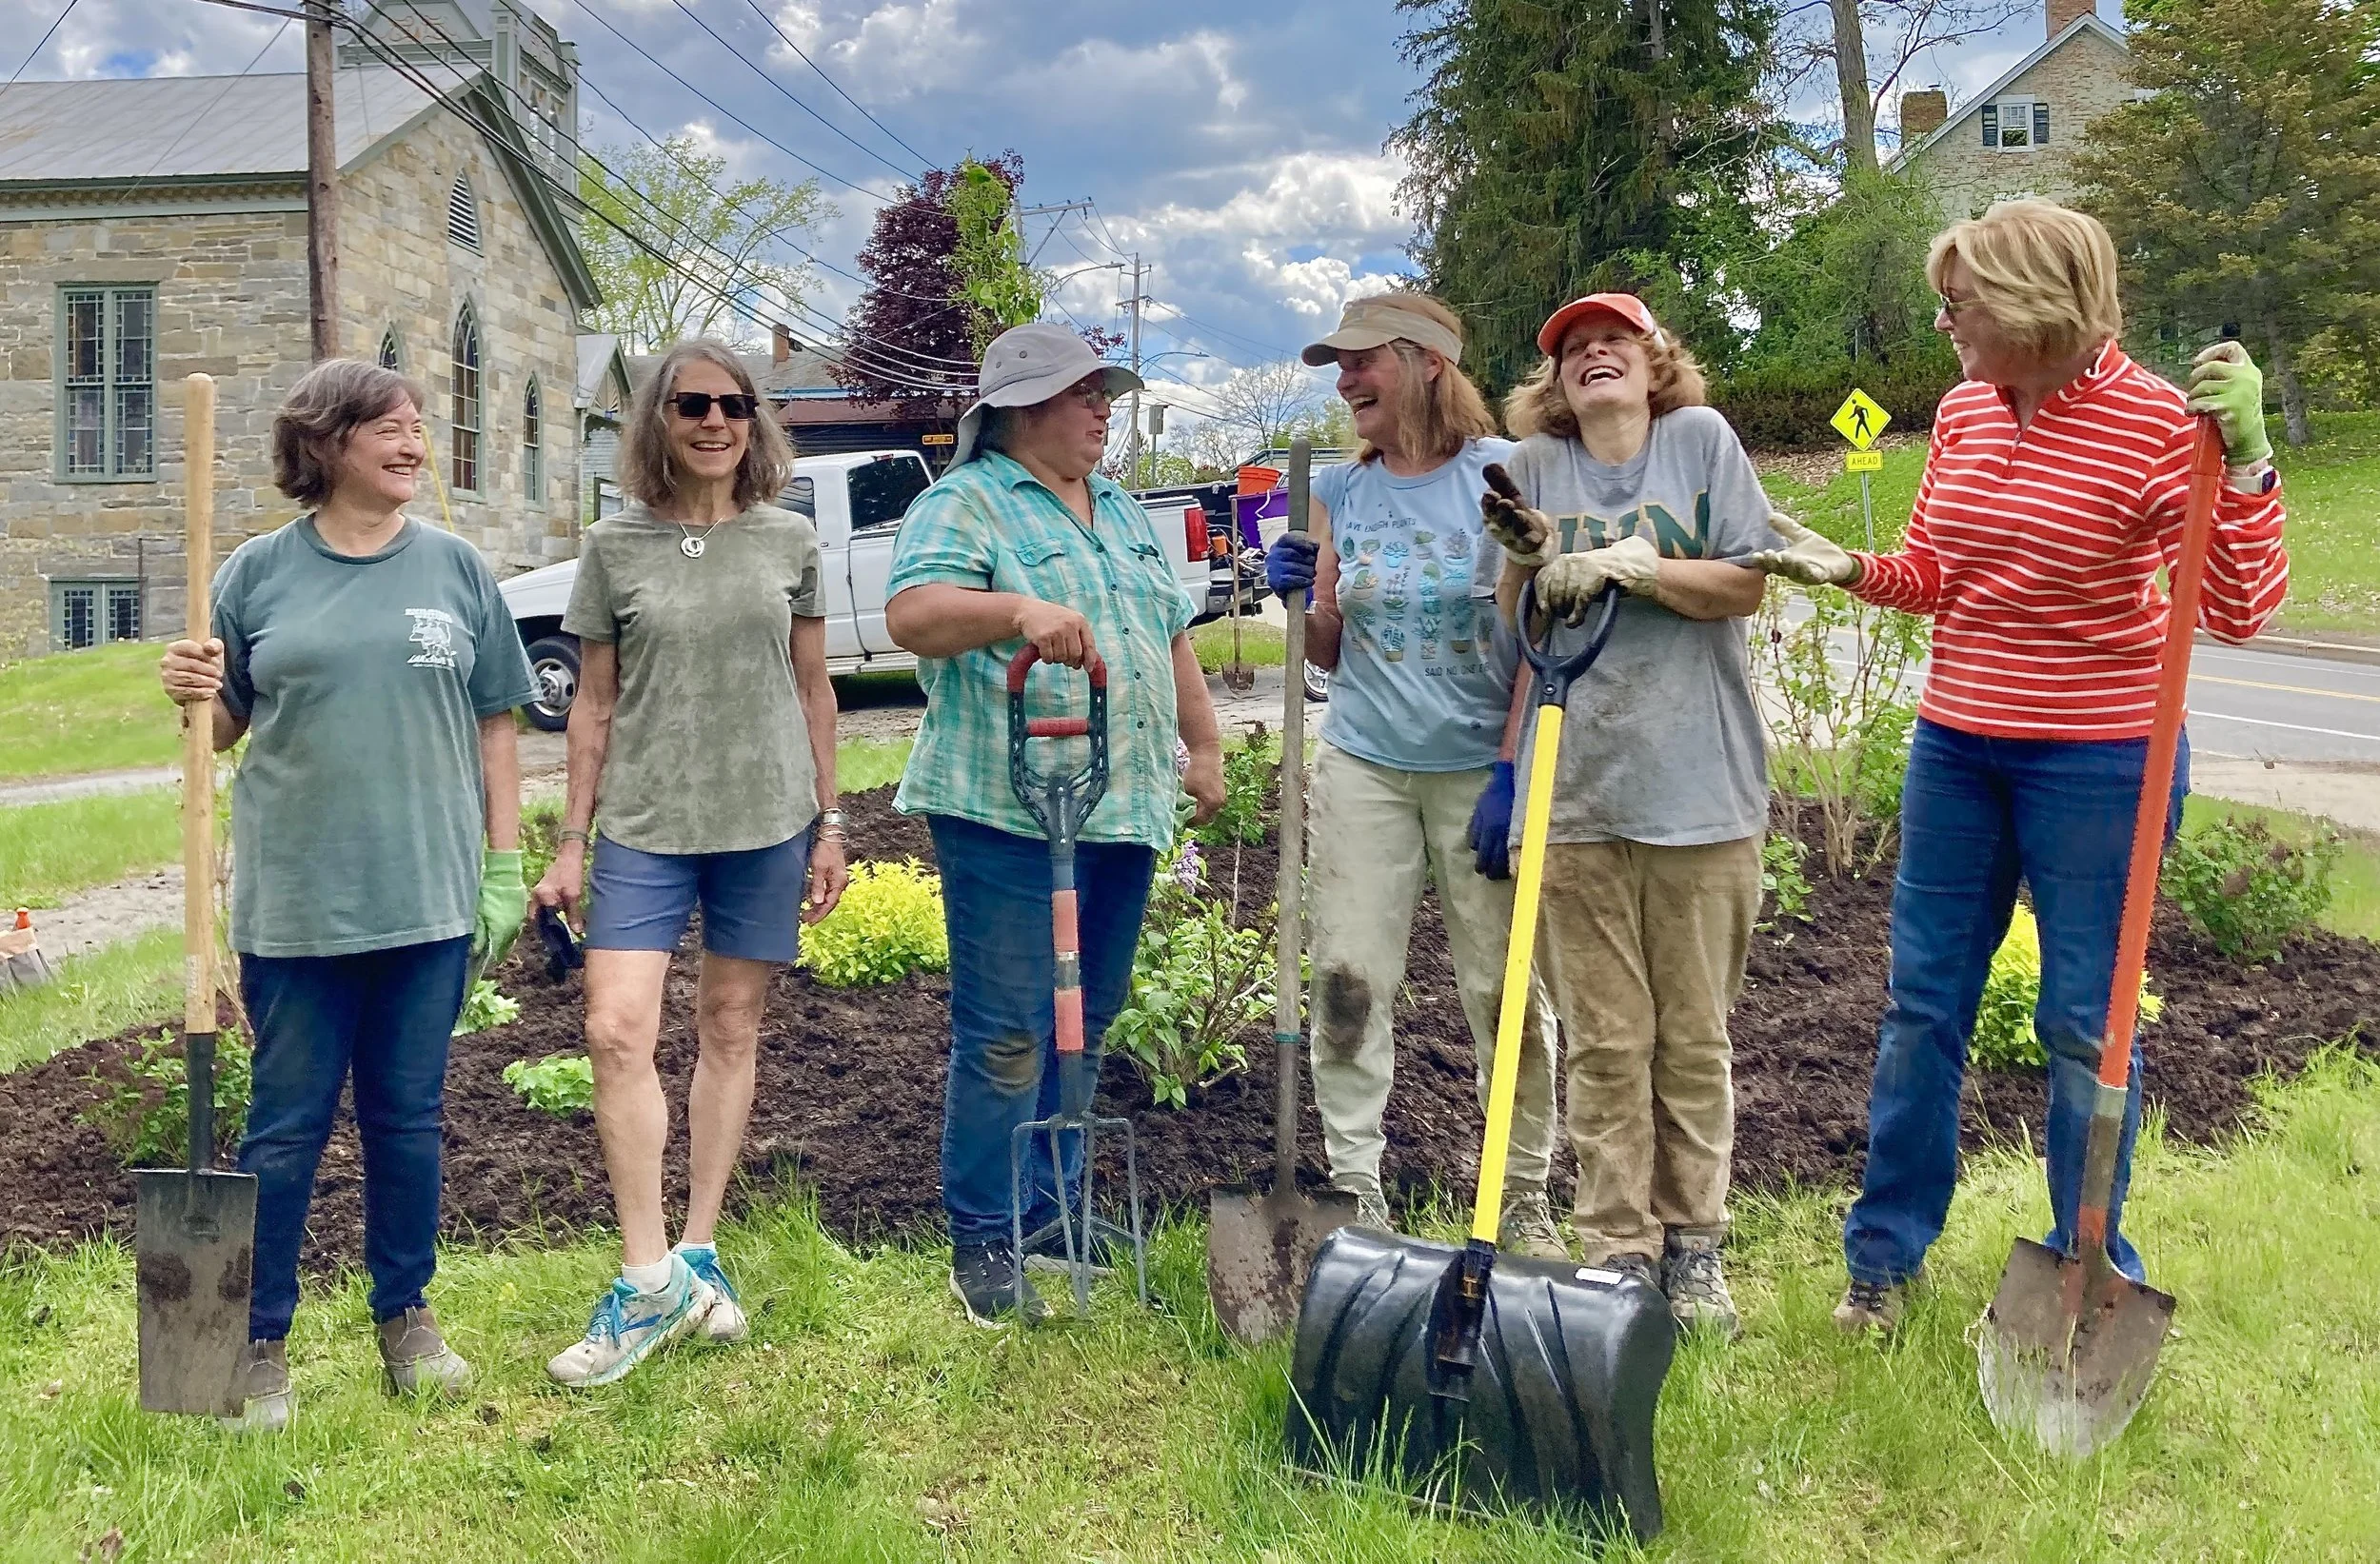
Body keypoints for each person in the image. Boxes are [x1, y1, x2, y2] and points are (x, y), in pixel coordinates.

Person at [1748, 200, 2290, 1335]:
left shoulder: (2157, 424)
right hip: (1957, 746)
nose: (1943, 319)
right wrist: (1841, 562)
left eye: (1962, 300)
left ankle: (2086, 1263)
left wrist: (2245, 462)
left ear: (2038, 301)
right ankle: (1883, 1264)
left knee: (2087, 1023)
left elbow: (2236, 609)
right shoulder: (1962, 412)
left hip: (2100, 761)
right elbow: (1940, 571)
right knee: (1920, 1007)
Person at [158, 358, 534, 1431]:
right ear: (327, 444)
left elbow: (498, 722)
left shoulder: (458, 569)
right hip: (301, 898)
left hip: (425, 894)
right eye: (390, 428)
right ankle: (258, 1338)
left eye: (418, 427)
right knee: (284, 1129)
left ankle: (405, 1316)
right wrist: (189, 688)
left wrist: (503, 865)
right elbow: (220, 726)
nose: (413, 443)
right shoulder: (255, 575)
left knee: (407, 1121)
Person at [883, 322, 1225, 1327]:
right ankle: (984, 1235)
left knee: (1090, 1015)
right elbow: (913, 613)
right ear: (1022, 407)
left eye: (1105, 394)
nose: (1102, 409)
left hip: (1116, 804)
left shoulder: (1118, 506)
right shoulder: (965, 501)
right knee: (1005, 1033)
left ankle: (1055, 1210)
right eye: (1085, 393)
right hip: (1004, 803)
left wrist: (1201, 745)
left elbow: (1167, 632)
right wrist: (1017, 611)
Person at [532, 340, 849, 1386]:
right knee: (614, 1028)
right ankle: (645, 1274)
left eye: (732, 404)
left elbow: (813, 688)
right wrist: (571, 838)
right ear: (657, 423)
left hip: (764, 820)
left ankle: (700, 1252)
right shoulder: (613, 548)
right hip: (643, 824)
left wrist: (831, 821)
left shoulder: (789, 540)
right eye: (690, 405)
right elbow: (592, 703)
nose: (714, 420)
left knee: (730, 1026)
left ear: (755, 420)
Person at [1477, 292, 1780, 1336]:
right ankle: (1619, 1252)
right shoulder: (1535, 469)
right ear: (1553, 382)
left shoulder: (1699, 443)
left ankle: (1695, 1244)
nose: (1593, 354)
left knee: (1691, 1037)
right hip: (1576, 795)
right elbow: (1507, 635)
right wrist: (1528, 557)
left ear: (1655, 363)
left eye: (1615, 341)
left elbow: (1745, 582)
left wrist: (1634, 567)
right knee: (1606, 1042)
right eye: (1571, 347)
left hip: (1700, 791)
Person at [1259, 292, 1565, 1256]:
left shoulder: (1500, 476)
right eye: (1337, 365)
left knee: (1503, 988)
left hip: (1482, 766)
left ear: (1429, 362)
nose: (1344, 380)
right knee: (1349, 980)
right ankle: (1356, 1194)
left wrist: (1514, 766)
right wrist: (1296, 600)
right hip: (1366, 765)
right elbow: (1330, 650)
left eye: (1363, 361)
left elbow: (1538, 636)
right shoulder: (1342, 493)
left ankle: (1522, 1197)